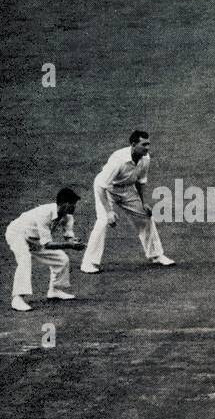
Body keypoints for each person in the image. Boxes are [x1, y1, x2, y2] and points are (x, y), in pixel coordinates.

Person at [81, 130, 175, 273]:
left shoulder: (145, 159)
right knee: (103, 221)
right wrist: (109, 211)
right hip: (107, 189)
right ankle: (89, 263)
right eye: (144, 144)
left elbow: (140, 182)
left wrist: (144, 203)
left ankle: (156, 255)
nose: (147, 148)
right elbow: (101, 186)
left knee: (146, 217)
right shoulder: (118, 160)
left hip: (127, 190)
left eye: (148, 144)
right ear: (133, 144)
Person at [7, 187, 81, 311]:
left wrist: (73, 241)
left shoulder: (68, 216)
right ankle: (17, 298)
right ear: (62, 204)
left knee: (62, 259)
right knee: (25, 258)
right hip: (17, 233)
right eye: (71, 205)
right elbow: (47, 244)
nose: (73, 208)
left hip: (34, 238)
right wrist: (70, 246)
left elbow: (68, 236)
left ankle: (55, 289)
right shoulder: (44, 214)